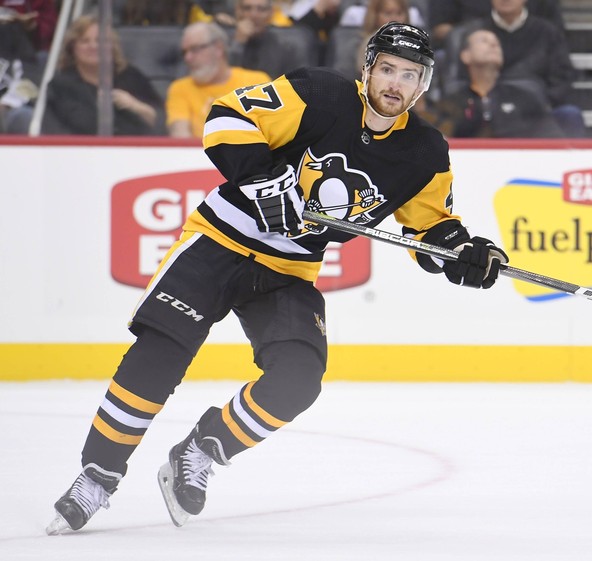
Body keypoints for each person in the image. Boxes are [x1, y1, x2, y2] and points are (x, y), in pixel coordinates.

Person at [46, 22, 508, 535]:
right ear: (368, 68)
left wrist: (463, 253)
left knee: (298, 379)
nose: (396, 84)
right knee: (161, 351)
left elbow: (431, 229)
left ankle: (201, 448)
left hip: (289, 268)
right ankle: (98, 476)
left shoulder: (424, 153)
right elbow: (226, 119)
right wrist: (265, 181)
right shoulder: (319, 93)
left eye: (410, 75)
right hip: (222, 238)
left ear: (423, 85)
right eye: (388, 70)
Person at [43, 14, 164, 136]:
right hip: (82, 152)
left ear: (112, 46)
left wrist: (135, 105)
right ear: (72, 47)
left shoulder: (131, 76)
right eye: (84, 41)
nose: (93, 46)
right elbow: (51, 131)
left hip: (135, 151)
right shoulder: (60, 85)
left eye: (100, 41)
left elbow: (162, 123)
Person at [435, 28, 562, 138]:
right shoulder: (452, 102)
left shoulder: (525, 98)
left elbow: (552, 140)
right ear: (465, 56)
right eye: (484, 41)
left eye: (496, 43)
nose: (493, 45)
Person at [484, 0, 583, 137]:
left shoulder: (547, 32)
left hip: (538, 111)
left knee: (570, 114)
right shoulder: (475, 33)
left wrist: (541, 103)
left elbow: (563, 75)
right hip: (488, 111)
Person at [165, 21, 270, 138]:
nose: (187, 58)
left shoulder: (256, 81)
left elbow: (271, 130)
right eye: (184, 52)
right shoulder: (180, 88)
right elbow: (180, 136)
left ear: (218, 48)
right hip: (198, 154)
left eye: (195, 49)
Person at [428, 0, 563, 46]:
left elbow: (556, 31)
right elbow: (440, 27)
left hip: (530, 47)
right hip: (472, 53)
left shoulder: (544, 28)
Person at [223, 0, 297, 78]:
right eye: (247, 8)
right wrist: (238, 43)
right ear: (237, 11)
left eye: (261, 9)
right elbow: (225, 78)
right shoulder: (222, 39)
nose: (254, 15)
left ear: (271, 12)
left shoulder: (283, 45)